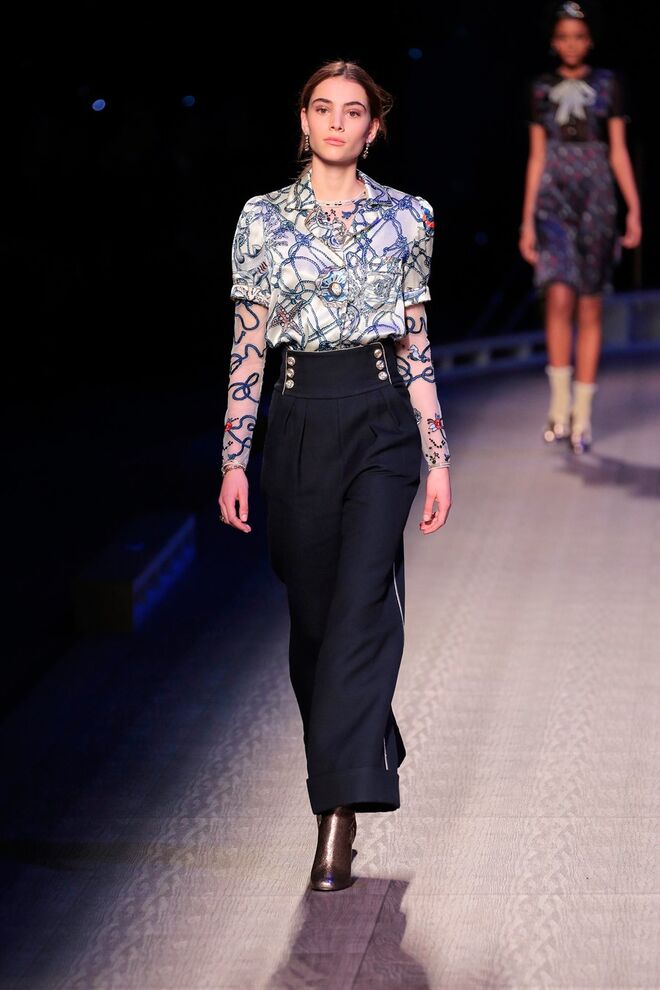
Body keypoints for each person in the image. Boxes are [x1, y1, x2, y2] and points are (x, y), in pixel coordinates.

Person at [218, 60, 451, 891]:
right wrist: (234, 457)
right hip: (298, 419)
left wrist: (437, 456)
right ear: (304, 120)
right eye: (324, 108)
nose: (337, 122)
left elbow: (415, 341)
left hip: (381, 419)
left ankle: (337, 815)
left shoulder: (409, 216)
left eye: (354, 111)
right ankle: (359, 744)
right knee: (316, 623)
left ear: (373, 127)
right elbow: (248, 343)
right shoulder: (261, 219)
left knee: (361, 608)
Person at [519, 0, 642, 453]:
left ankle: (583, 417)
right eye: (563, 37)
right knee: (557, 296)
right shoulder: (540, 88)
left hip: (597, 195)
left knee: (590, 304)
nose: (571, 44)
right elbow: (536, 155)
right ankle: (559, 406)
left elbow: (618, 149)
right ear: (554, 42)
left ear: (589, 41)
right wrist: (526, 221)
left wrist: (633, 208)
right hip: (553, 195)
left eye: (579, 36)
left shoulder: (608, 84)